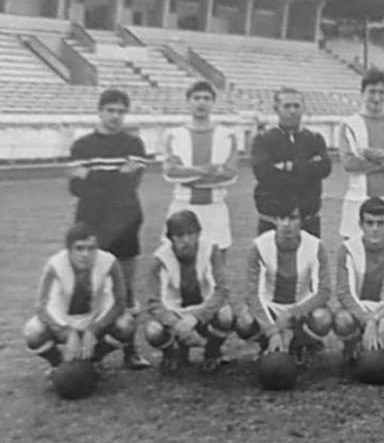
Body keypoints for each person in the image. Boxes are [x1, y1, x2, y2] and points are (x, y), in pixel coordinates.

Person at [67, 88, 149, 369]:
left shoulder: (135, 144)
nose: (115, 116)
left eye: (120, 111)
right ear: (100, 111)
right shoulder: (82, 145)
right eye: (110, 110)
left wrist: (94, 176)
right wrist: (113, 178)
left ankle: (131, 350)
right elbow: (76, 186)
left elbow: (130, 184)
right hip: (91, 225)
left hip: (126, 223)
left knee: (125, 289)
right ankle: (89, 352)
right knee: (90, 288)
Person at [22, 224, 135, 370]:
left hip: (96, 318)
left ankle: (95, 359)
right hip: (64, 320)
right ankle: (58, 364)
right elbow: (42, 306)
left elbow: (120, 302)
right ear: (69, 249)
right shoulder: (55, 264)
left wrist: (94, 329)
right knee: (33, 331)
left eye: (91, 248)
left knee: (126, 324)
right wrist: (66, 332)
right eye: (79, 248)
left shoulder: (109, 262)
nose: (85, 254)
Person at [239, 201, 333, 365]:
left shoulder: (315, 245)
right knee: (244, 321)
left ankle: (299, 344)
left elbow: (323, 291)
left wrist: (293, 313)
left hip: (300, 307)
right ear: (275, 220)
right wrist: (272, 331)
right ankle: (267, 343)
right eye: (281, 218)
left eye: (292, 218)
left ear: (301, 220)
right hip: (270, 306)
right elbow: (252, 294)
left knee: (322, 318)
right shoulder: (260, 246)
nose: (286, 224)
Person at [144, 211, 233, 372]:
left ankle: (212, 352)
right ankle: (171, 353)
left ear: (198, 233)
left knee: (226, 315)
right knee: (153, 331)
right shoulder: (159, 259)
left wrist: (196, 317)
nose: (186, 240)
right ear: (170, 238)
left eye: (190, 234)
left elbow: (222, 290)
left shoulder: (211, 249)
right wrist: (176, 324)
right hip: (175, 313)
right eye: (179, 235)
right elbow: (153, 302)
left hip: (203, 310)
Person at [334, 197, 384, 361]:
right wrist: (368, 319)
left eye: (380, 223)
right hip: (360, 306)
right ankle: (352, 346)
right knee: (342, 320)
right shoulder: (348, 249)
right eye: (369, 223)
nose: (375, 229)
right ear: (360, 224)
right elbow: (345, 292)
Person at [163, 81, 238, 252]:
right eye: (196, 98)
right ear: (188, 102)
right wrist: (208, 170)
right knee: (179, 262)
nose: (201, 102)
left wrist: (187, 175)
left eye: (206, 98)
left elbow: (229, 175)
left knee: (217, 261)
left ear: (213, 103)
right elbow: (171, 174)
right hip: (182, 205)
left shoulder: (227, 135)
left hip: (215, 207)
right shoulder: (174, 135)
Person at [339, 69, 384, 239]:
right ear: (362, 93)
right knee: (355, 253)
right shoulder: (349, 124)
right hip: (358, 199)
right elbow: (350, 164)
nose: (377, 98)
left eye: (381, 92)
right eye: (372, 92)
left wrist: (372, 154)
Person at [252, 87, 331, 238]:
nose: (292, 111)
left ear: (303, 108)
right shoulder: (263, 140)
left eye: (296, 106)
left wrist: (289, 166)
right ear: (276, 109)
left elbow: (324, 168)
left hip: (308, 220)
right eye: (287, 106)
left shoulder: (314, 139)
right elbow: (264, 175)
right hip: (272, 220)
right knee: (270, 261)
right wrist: (308, 170)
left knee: (309, 261)